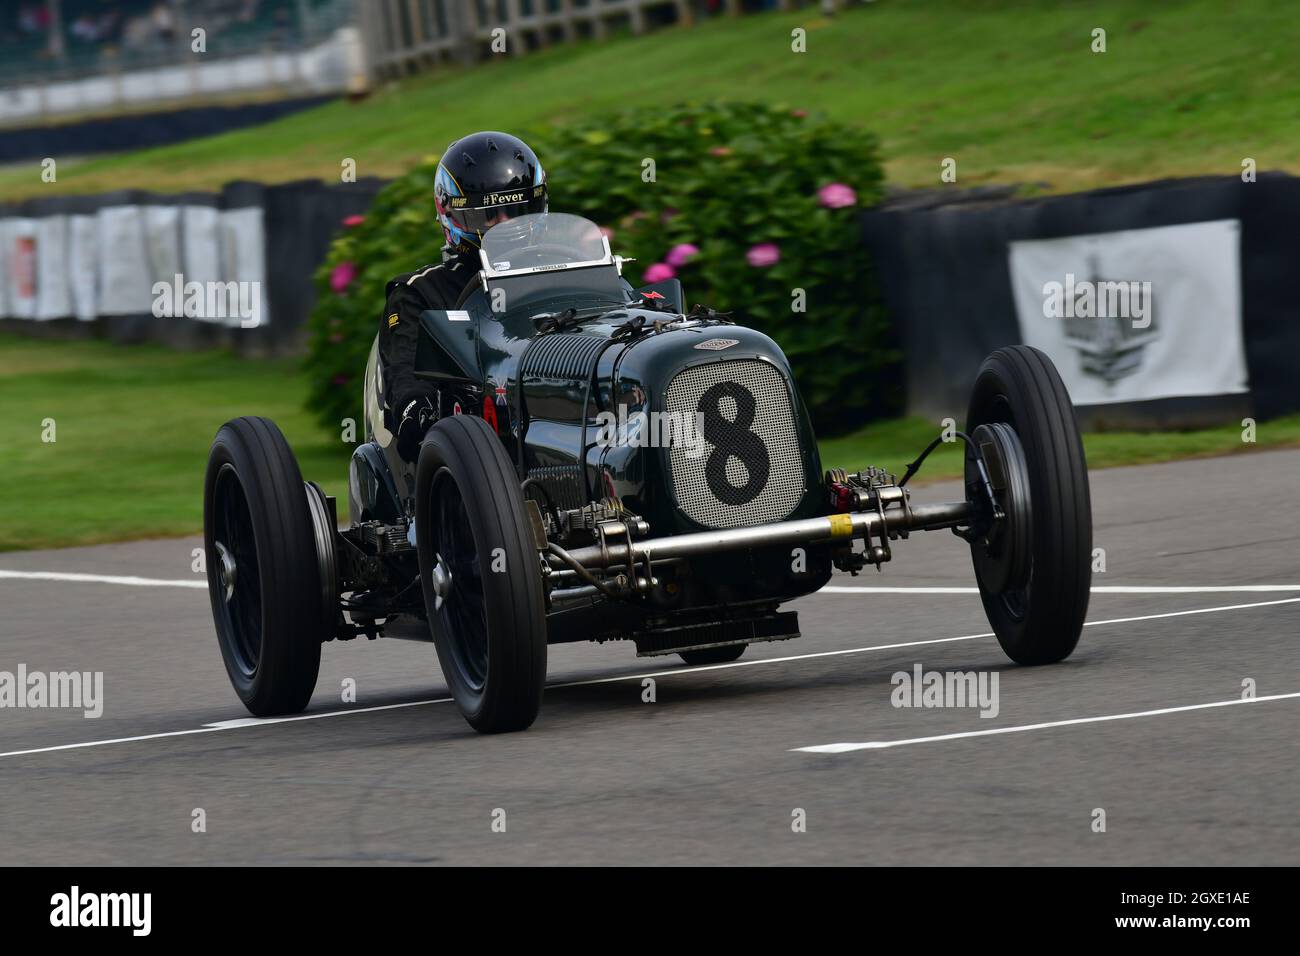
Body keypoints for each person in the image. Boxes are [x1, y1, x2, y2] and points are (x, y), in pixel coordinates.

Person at [380, 131, 548, 462]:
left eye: (516, 212)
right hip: (477, 453)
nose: (504, 225)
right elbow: (405, 374)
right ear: (452, 216)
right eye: (488, 216)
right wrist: (417, 407)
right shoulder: (420, 292)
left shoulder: (568, 268)